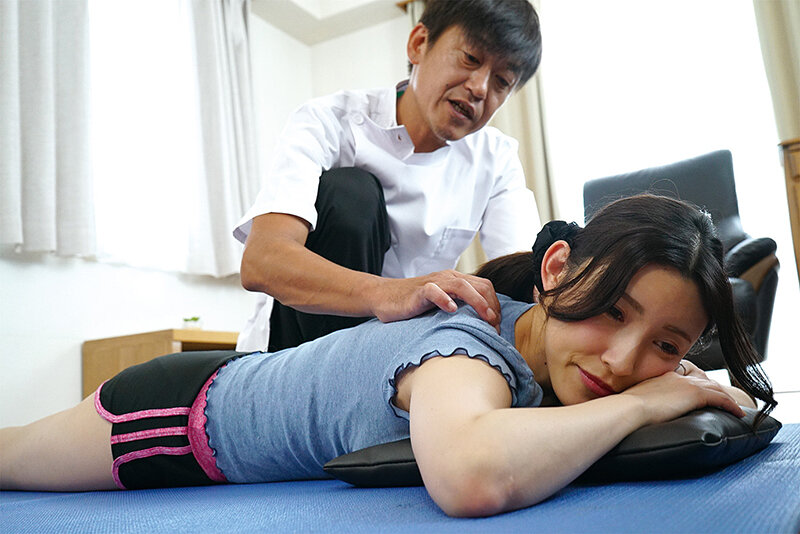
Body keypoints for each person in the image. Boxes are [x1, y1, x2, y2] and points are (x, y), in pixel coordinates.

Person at [0, 195, 776, 518]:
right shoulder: (467, 343)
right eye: (612, 312)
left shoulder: (542, 348)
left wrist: (674, 384)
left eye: (665, 346)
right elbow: (472, 476)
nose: (623, 360)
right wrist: (642, 402)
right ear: (556, 270)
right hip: (176, 417)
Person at [235, 0, 543, 352]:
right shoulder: (327, 122)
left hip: (399, 351)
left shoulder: (496, 158)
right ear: (418, 44)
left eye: (501, 82)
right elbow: (263, 261)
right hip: (292, 346)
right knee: (351, 192)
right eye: (470, 58)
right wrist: (392, 294)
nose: (480, 88)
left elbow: (526, 280)